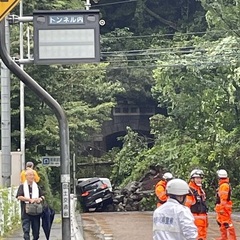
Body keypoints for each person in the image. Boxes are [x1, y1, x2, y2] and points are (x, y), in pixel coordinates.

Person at [16, 168, 45, 240]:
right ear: (26, 177)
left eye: (33, 175)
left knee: (36, 233)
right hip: (25, 211)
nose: (32, 177)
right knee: (26, 231)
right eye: (30, 175)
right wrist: (29, 199)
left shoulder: (37, 186)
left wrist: (39, 199)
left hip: (36, 212)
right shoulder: (22, 186)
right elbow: (19, 197)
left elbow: (43, 196)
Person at [185, 169, 208, 240]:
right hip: (195, 222)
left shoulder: (200, 190)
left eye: (200, 178)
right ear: (192, 179)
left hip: (202, 221)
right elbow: (186, 208)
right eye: (197, 178)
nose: (199, 180)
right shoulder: (190, 191)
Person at [215, 169, 237, 240]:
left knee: (227, 224)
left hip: (224, 209)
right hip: (222, 209)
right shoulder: (223, 185)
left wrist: (221, 209)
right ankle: (224, 238)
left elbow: (223, 199)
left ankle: (232, 238)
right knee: (222, 224)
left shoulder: (224, 186)